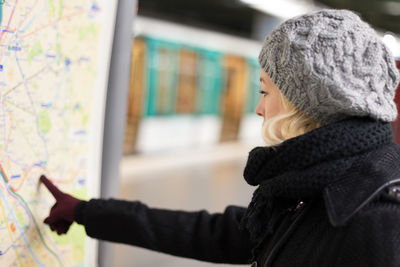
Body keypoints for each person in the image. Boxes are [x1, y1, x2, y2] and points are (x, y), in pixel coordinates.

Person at [39, 9, 400, 267]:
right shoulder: (318, 184)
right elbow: (219, 234)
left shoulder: (378, 222)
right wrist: (87, 212)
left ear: (305, 103)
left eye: (264, 92)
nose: (259, 109)